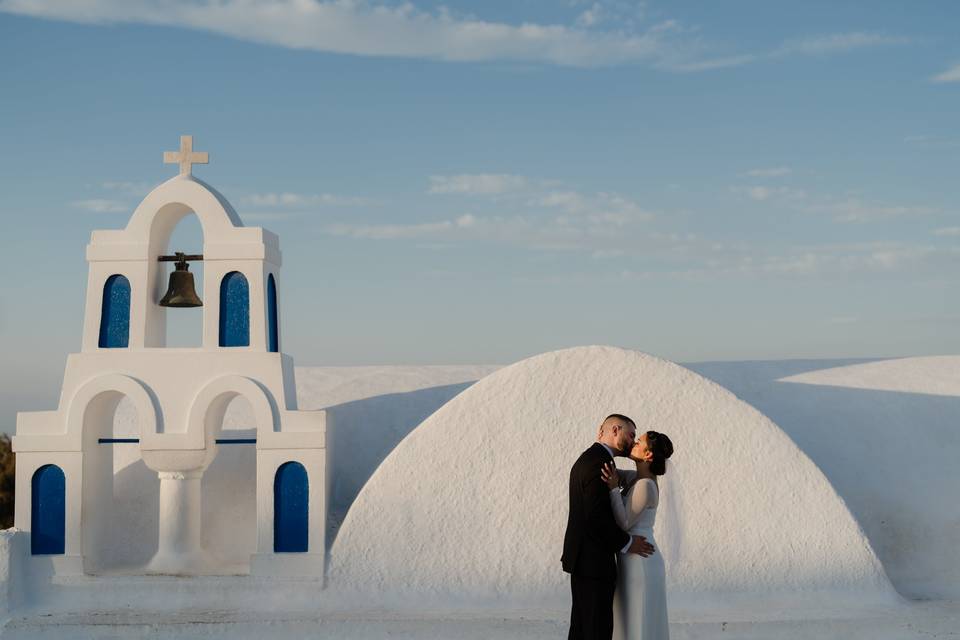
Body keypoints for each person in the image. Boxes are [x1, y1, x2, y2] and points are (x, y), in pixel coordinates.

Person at [563, 414, 657, 640]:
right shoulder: (599, 463)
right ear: (615, 430)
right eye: (631, 434)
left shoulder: (596, 458)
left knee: (583, 628)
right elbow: (595, 518)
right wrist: (627, 543)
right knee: (596, 629)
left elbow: (633, 480)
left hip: (585, 560)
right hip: (593, 562)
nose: (634, 441)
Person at [601, 430, 674, 640]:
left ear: (648, 455)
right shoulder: (637, 478)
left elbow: (624, 522)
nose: (632, 443)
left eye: (638, 442)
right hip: (631, 556)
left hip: (640, 560)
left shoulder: (646, 486)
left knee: (638, 616)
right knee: (628, 617)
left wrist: (614, 489)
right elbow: (615, 473)